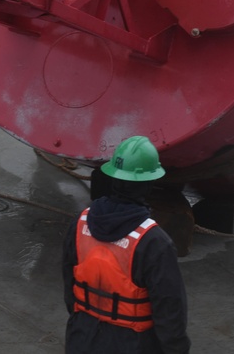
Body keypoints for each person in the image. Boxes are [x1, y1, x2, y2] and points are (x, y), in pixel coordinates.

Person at [62, 135, 190, 353]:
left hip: (82, 338)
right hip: (133, 344)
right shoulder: (154, 242)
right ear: (149, 184)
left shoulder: (80, 224)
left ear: (113, 177)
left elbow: (69, 289)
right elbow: (169, 310)